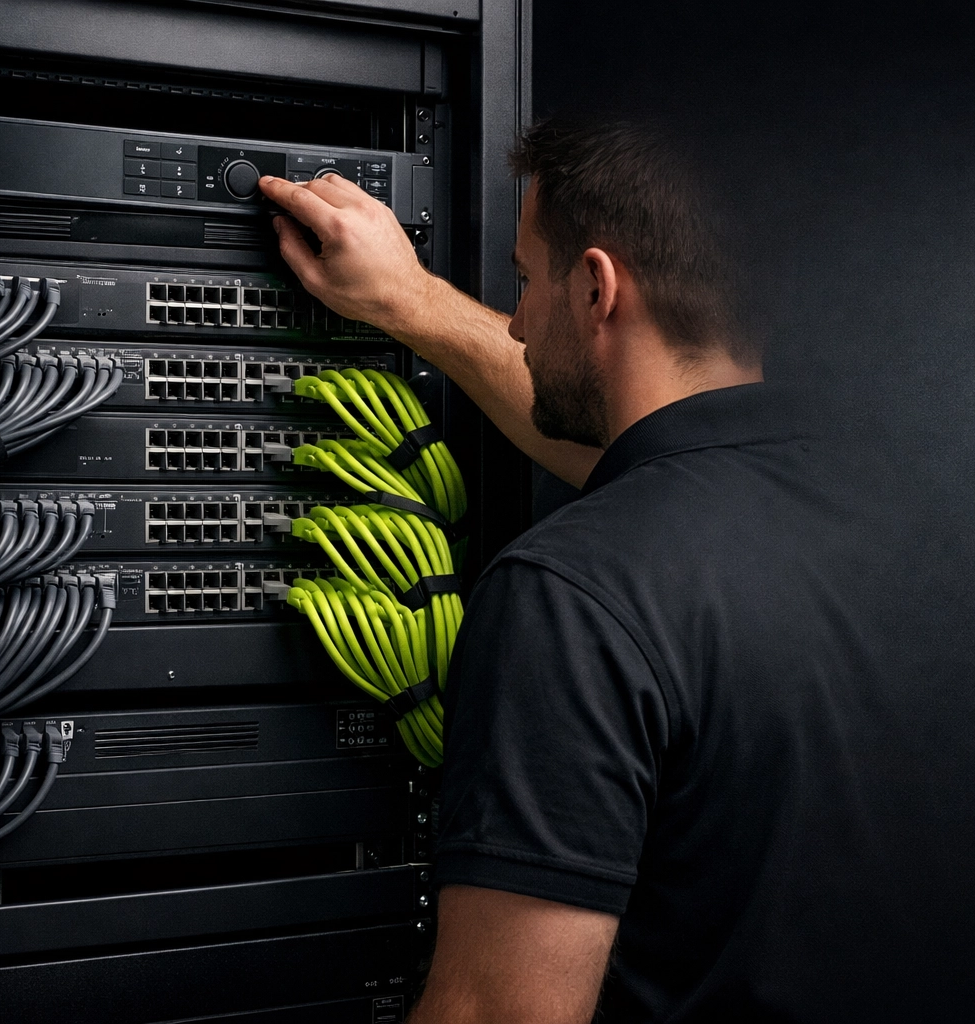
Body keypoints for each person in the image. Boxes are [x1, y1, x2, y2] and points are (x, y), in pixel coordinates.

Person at [257, 122, 883, 1023]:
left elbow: (496, 1013)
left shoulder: (568, 595)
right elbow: (655, 463)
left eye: (524, 280)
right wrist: (410, 301)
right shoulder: (891, 513)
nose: (515, 321)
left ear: (595, 287)